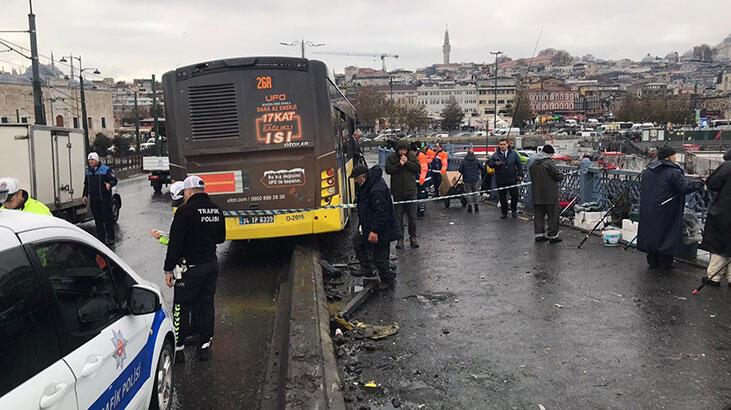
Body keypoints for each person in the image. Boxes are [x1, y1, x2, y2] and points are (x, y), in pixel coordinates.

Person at [163, 176, 226, 362]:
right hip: (210, 265)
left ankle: (180, 348)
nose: (183, 196)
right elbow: (221, 238)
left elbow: (175, 243)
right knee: (206, 304)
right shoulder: (216, 210)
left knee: (181, 306)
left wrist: (168, 269)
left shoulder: (184, 211)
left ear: (189, 192)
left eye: (184, 193)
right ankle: (204, 345)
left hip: (189, 268)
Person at [637, 146, 704, 270]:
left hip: (650, 207)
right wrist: (700, 183)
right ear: (669, 157)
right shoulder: (673, 171)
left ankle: (652, 261)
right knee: (668, 235)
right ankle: (665, 264)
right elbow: (684, 188)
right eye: (674, 155)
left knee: (652, 234)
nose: (675, 157)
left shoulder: (648, 170)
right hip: (667, 209)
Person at [350, 164, 401, 290]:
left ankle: (388, 280)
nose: (355, 181)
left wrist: (374, 231)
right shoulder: (368, 185)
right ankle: (366, 268)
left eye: (356, 179)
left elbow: (381, 213)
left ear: (362, 177)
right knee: (357, 241)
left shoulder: (376, 189)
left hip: (381, 230)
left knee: (380, 257)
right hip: (368, 226)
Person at [699, 148, 731, 286]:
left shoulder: (727, 166)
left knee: (720, 243)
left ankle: (714, 276)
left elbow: (712, 183)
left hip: (726, 210)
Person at [385, 140, 420, 249]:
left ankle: (413, 237)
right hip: (398, 191)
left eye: (405, 150)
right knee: (398, 217)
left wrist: (407, 163)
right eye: (401, 150)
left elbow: (417, 169)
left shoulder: (412, 156)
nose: (403, 152)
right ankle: (400, 239)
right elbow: (388, 170)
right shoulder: (391, 158)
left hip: (411, 191)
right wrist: (399, 164)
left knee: (412, 217)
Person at [529, 145, 564, 243]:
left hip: (536, 193)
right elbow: (556, 175)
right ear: (549, 153)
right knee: (552, 216)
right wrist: (562, 175)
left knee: (539, 215)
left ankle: (539, 235)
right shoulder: (549, 162)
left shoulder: (533, 163)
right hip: (550, 194)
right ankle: (553, 236)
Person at [83, 152, 117, 244]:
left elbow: (113, 180)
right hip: (94, 201)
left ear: (97, 160)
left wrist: (110, 184)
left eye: (92, 160)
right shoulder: (88, 171)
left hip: (104, 200)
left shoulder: (106, 170)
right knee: (98, 221)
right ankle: (101, 239)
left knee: (107, 219)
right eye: (89, 160)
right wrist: (85, 195)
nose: (90, 161)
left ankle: (110, 237)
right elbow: (86, 185)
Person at [488, 138, 524, 219]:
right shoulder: (496, 154)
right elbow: (490, 163)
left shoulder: (513, 153)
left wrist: (520, 174)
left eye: (504, 144)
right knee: (502, 197)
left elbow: (519, 164)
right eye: (500, 145)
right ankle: (504, 213)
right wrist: (495, 164)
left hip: (512, 179)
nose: (502, 146)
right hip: (501, 179)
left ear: (507, 145)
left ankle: (514, 211)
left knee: (514, 196)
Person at [458, 146, 483, 213]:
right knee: (475, 193)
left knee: (468, 193)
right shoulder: (476, 160)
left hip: (467, 179)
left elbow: (460, 170)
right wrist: (478, 172)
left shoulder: (464, 161)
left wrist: (464, 172)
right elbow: (482, 168)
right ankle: (476, 206)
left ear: (467, 153)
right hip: (475, 179)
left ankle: (470, 207)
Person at [415, 143, 431, 217]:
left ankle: (421, 209)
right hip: (421, 178)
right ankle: (421, 207)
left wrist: (421, 179)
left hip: (421, 179)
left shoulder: (420, 156)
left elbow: (424, 168)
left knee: (421, 193)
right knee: (421, 193)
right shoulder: (420, 155)